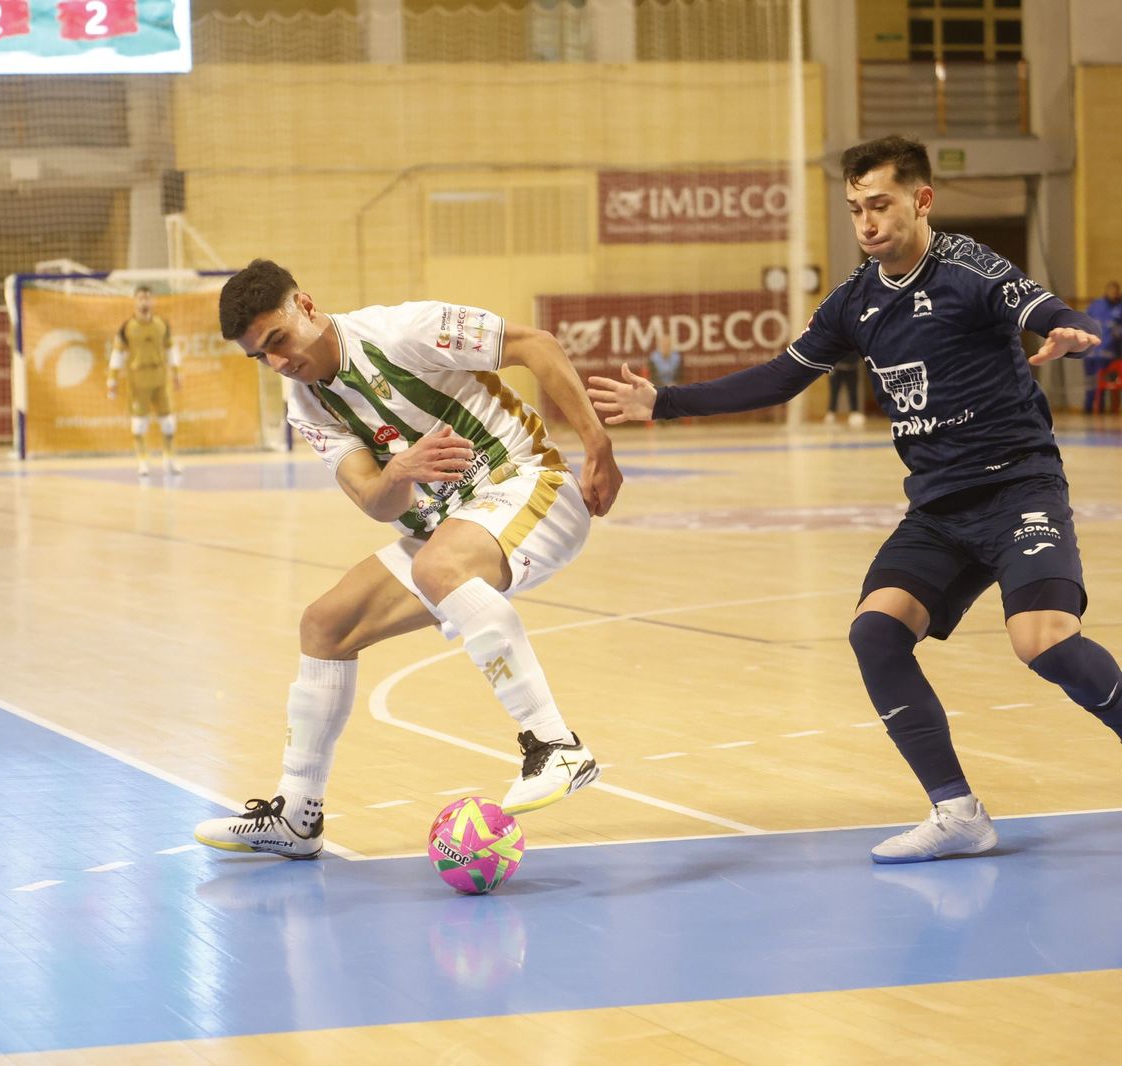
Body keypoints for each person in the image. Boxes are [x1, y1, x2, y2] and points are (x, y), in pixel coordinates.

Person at [587, 135, 1120, 864]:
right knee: (875, 633)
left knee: (1043, 640)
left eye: (880, 205)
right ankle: (957, 812)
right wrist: (667, 402)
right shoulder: (855, 303)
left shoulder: (969, 267)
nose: (866, 223)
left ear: (921, 200)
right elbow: (778, 377)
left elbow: (1039, 304)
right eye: (855, 210)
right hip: (937, 508)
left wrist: (1068, 328)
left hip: (1017, 485)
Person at [193, 259, 623, 858]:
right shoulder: (306, 403)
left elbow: (536, 345)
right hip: (449, 529)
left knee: (435, 566)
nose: (278, 362)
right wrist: (400, 469)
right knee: (324, 625)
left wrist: (596, 444)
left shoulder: (403, 331)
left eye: (278, 340)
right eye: (259, 356)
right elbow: (373, 498)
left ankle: (556, 745)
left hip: (530, 484)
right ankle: (297, 814)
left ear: (307, 307)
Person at [106, 285, 183, 476]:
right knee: (139, 424)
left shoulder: (161, 325)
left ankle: (169, 459)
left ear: (153, 300)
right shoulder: (127, 328)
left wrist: (176, 373)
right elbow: (117, 354)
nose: (144, 302)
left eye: (148, 298)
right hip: (138, 383)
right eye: (140, 298)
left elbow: (171, 350)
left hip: (159, 380)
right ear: (134, 301)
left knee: (169, 423)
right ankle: (142, 461)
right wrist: (112, 380)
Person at [1082, 281, 1120, 414]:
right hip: (1091, 353)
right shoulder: (1095, 306)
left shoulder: (1119, 308)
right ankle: (1087, 409)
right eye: (1110, 290)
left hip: (1109, 355)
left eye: (1115, 291)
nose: (1113, 293)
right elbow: (1085, 323)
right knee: (1090, 383)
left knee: (1103, 385)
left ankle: (1101, 409)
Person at [824, 352, 865, 427]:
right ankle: (831, 412)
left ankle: (855, 412)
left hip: (852, 367)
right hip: (837, 368)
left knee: (853, 391)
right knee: (834, 391)